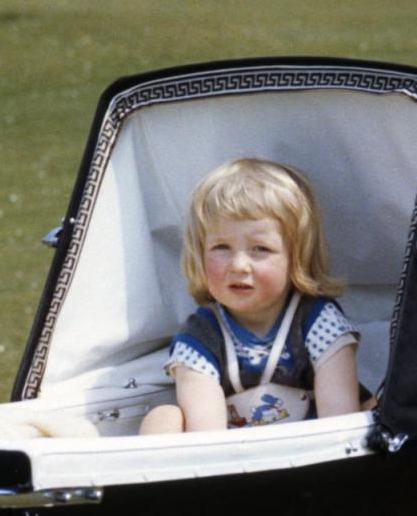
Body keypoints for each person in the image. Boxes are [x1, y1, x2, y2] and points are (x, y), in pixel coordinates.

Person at [140, 158, 362, 434]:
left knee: (376, 409)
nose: (238, 265)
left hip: (314, 454)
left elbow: (341, 421)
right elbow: (205, 433)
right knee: (164, 418)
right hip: (230, 460)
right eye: (221, 247)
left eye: (260, 249)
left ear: (296, 259)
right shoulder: (200, 336)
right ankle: (153, 477)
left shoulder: (317, 320)